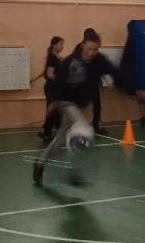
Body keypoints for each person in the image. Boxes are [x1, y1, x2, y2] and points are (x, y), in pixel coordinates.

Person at [34, 31, 112, 186]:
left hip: (77, 104)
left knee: (60, 138)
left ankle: (40, 162)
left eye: (95, 49)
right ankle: (73, 173)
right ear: (83, 44)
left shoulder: (96, 60)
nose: (91, 52)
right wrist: (54, 100)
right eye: (89, 49)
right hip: (66, 102)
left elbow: (107, 72)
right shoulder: (72, 60)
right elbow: (59, 80)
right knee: (83, 130)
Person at [33, 36, 64, 144]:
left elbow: (45, 71)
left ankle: (46, 131)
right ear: (54, 45)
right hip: (52, 87)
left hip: (54, 87)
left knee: (55, 109)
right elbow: (49, 74)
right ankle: (45, 132)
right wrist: (60, 80)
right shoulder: (52, 58)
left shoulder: (56, 58)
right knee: (52, 109)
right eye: (60, 44)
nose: (62, 46)